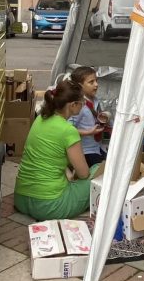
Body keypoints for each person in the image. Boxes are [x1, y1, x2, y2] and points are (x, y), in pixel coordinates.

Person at [14, 79, 98, 220]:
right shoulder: (68, 131)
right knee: (99, 169)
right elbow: (84, 174)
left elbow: (49, 155)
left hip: (21, 199)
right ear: (73, 105)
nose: (83, 106)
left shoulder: (40, 119)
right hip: (50, 205)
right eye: (82, 103)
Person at [68, 66, 106, 167]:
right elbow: (67, 129)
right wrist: (89, 132)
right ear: (80, 86)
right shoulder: (78, 106)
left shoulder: (95, 100)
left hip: (97, 148)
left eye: (96, 81)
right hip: (85, 152)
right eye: (91, 82)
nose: (96, 85)